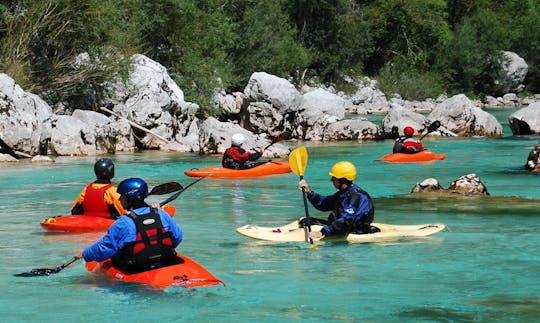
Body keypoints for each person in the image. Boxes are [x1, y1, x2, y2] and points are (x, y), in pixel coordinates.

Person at [80, 178, 183, 273]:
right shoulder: (161, 213)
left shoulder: (123, 222)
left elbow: (104, 248)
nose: (119, 199)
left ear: (131, 199)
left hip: (136, 268)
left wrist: (85, 254)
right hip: (165, 261)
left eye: (122, 196)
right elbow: (178, 237)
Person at [298, 161, 377, 239]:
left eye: (334, 177)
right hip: (345, 226)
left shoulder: (355, 197)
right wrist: (309, 193)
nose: (332, 180)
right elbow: (325, 204)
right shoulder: (345, 193)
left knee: (307, 222)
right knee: (306, 221)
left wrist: (321, 232)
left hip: (357, 230)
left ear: (342, 180)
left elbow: (345, 221)